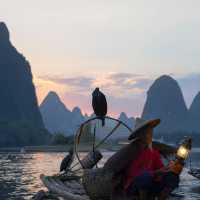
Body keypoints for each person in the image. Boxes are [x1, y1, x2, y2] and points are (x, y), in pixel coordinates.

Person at [124, 118, 183, 200]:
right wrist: (156, 173)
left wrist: (171, 168)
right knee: (144, 177)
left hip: (151, 182)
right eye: (147, 131)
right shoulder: (132, 150)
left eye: (150, 131)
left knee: (173, 176)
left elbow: (161, 169)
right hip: (134, 185)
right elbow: (133, 174)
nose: (150, 134)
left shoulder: (153, 152)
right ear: (139, 134)